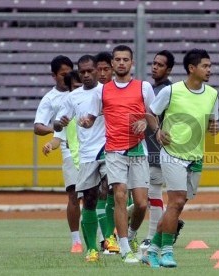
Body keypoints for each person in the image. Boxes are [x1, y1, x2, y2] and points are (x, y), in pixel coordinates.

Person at [143, 48, 219, 268]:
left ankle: (152, 250)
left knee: (177, 206)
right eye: (205, 66)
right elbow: (150, 112)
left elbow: (212, 120)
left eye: (210, 66)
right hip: (172, 153)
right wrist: (157, 131)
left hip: (196, 156)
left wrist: (214, 126)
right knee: (175, 202)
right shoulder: (172, 91)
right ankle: (167, 251)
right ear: (191, 68)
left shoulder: (213, 94)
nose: (209, 70)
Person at [82, 44, 155, 263]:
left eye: (125, 59)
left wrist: (145, 121)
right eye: (117, 59)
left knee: (142, 203)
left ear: (131, 63)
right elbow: (91, 118)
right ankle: (124, 248)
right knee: (120, 194)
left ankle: (131, 235)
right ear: (112, 64)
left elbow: (153, 117)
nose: (121, 63)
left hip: (137, 151)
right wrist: (85, 122)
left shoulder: (144, 88)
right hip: (113, 150)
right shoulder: (102, 91)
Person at [54, 55, 107, 263]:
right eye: (82, 71)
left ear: (97, 70)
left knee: (111, 190)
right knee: (90, 200)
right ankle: (92, 248)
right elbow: (58, 125)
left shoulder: (106, 91)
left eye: (89, 71)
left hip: (108, 149)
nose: (86, 75)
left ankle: (112, 238)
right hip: (86, 155)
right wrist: (62, 122)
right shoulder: (73, 97)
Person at [33, 55, 83, 254]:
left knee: (99, 195)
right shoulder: (51, 99)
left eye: (71, 73)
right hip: (69, 149)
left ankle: (106, 237)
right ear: (54, 76)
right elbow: (38, 127)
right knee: (73, 194)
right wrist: (54, 133)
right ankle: (76, 240)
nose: (68, 77)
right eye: (64, 74)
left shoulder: (84, 92)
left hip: (92, 149)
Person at [140, 50, 184, 253]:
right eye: (154, 63)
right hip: (149, 147)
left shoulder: (166, 90)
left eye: (160, 64)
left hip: (158, 148)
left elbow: (149, 116)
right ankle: (171, 221)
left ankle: (151, 237)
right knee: (145, 195)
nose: (154, 67)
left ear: (169, 69)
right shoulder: (157, 88)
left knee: (153, 194)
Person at [92, 51, 120, 255]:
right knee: (103, 192)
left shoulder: (120, 91)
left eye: (106, 69)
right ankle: (106, 238)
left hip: (119, 146)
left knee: (119, 195)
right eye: (98, 69)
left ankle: (115, 236)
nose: (102, 73)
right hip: (96, 149)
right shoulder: (95, 93)